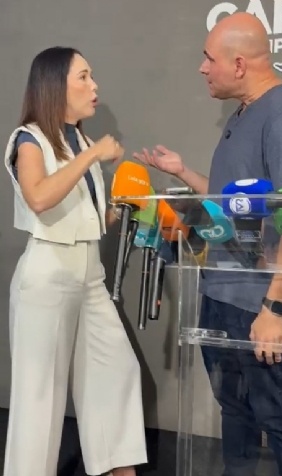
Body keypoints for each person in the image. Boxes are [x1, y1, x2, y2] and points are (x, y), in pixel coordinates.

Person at [133, 13, 282, 475]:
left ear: (239, 64)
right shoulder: (245, 113)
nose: (202, 68)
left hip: (257, 302)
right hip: (221, 294)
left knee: (277, 415)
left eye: (209, 59)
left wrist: (274, 307)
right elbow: (232, 203)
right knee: (235, 408)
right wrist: (183, 172)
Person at [2, 46, 147, 476]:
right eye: (83, 76)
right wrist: (91, 156)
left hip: (90, 276)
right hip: (48, 276)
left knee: (116, 370)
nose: (94, 85)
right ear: (54, 86)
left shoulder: (79, 140)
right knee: (39, 397)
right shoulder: (29, 139)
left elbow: (86, 215)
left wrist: (118, 208)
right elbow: (39, 197)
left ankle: (119, 468)